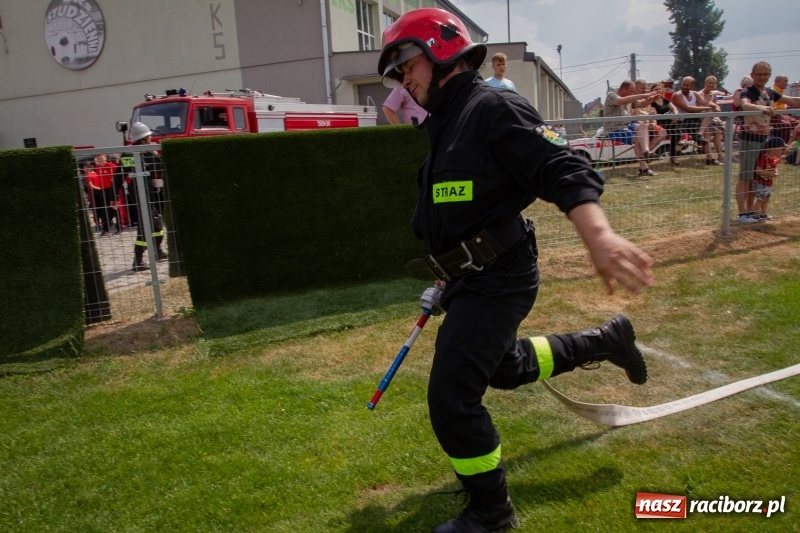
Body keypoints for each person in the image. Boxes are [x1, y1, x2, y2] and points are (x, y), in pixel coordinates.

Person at [377, 9, 654, 532]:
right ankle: (607, 340)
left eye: (406, 65)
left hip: (499, 275)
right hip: (468, 277)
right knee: (503, 369)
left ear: (440, 52)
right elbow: (454, 206)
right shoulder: (445, 122)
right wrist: (446, 270)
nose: (403, 81)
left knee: (452, 395)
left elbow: (561, 165)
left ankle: (491, 513)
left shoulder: (493, 107)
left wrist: (598, 235)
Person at [738, 62, 800, 223]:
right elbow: (744, 104)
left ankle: (752, 211)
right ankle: (742, 213)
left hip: (764, 140)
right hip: (749, 139)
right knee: (745, 177)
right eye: (759, 74)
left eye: (765, 74)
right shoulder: (747, 91)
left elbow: (792, 100)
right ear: (752, 75)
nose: (762, 77)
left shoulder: (770, 93)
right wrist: (762, 109)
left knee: (756, 176)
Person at [127, 122, 167, 272]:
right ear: (144, 138)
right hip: (141, 192)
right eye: (149, 136)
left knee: (156, 224)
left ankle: (158, 252)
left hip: (142, 192)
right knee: (146, 225)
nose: (151, 138)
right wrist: (156, 154)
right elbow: (160, 166)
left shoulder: (129, 152)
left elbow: (119, 175)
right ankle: (137, 261)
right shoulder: (144, 152)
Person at [603, 80, 659, 176]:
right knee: (637, 138)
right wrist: (642, 95)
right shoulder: (611, 95)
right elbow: (621, 101)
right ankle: (644, 168)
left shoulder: (629, 99)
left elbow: (641, 104)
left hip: (627, 125)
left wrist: (651, 99)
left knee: (643, 126)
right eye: (631, 91)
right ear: (623, 89)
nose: (633, 93)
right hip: (614, 129)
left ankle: (646, 151)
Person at [670, 76, 723, 166]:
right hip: (681, 121)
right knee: (709, 112)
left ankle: (709, 158)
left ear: (692, 86)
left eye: (687, 85)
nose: (685, 87)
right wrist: (710, 107)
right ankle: (674, 157)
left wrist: (715, 106)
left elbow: (705, 102)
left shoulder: (695, 94)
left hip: (694, 120)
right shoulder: (677, 95)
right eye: (683, 84)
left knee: (707, 129)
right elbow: (688, 109)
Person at [752, 137, 787, 222]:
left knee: (767, 198)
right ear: (773, 148)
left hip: (768, 183)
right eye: (781, 149)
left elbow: (775, 167)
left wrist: (776, 171)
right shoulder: (764, 158)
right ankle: (756, 214)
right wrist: (769, 173)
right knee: (760, 199)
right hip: (761, 182)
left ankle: (763, 213)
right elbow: (757, 170)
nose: (782, 151)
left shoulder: (774, 159)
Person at [650, 82, 683, 166]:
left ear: (662, 90)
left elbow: (674, 108)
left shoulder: (665, 100)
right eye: (656, 89)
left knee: (675, 130)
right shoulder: (651, 102)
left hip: (671, 122)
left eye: (659, 89)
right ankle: (678, 145)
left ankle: (674, 153)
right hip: (660, 123)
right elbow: (653, 114)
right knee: (675, 131)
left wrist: (675, 115)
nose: (658, 91)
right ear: (652, 91)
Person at [696, 76, 725, 163]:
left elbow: (716, 107)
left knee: (718, 131)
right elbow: (699, 107)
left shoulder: (714, 95)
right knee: (707, 131)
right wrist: (712, 108)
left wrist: (717, 116)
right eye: (710, 83)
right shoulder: (699, 94)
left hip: (711, 118)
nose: (711, 85)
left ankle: (720, 155)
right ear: (705, 83)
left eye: (713, 83)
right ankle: (709, 157)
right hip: (701, 118)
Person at [89, 154, 119, 235]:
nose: (100, 160)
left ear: (105, 158)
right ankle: (105, 228)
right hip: (102, 190)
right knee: (104, 209)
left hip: (111, 189)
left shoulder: (111, 166)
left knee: (114, 207)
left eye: (102, 158)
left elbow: (118, 176)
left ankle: (119, 227)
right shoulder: (97, 167)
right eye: (98, 159)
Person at [770, 75, 800, 143]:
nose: (787, 83)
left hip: (783, 114)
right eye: (785, 81)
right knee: (786, 125)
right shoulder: (772, 91)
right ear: (777, 82)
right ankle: (783, 146)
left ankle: (793, 145)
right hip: (774, 115)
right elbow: (772, 108)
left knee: (798, 124)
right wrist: (781, 116)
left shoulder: (782, 91)